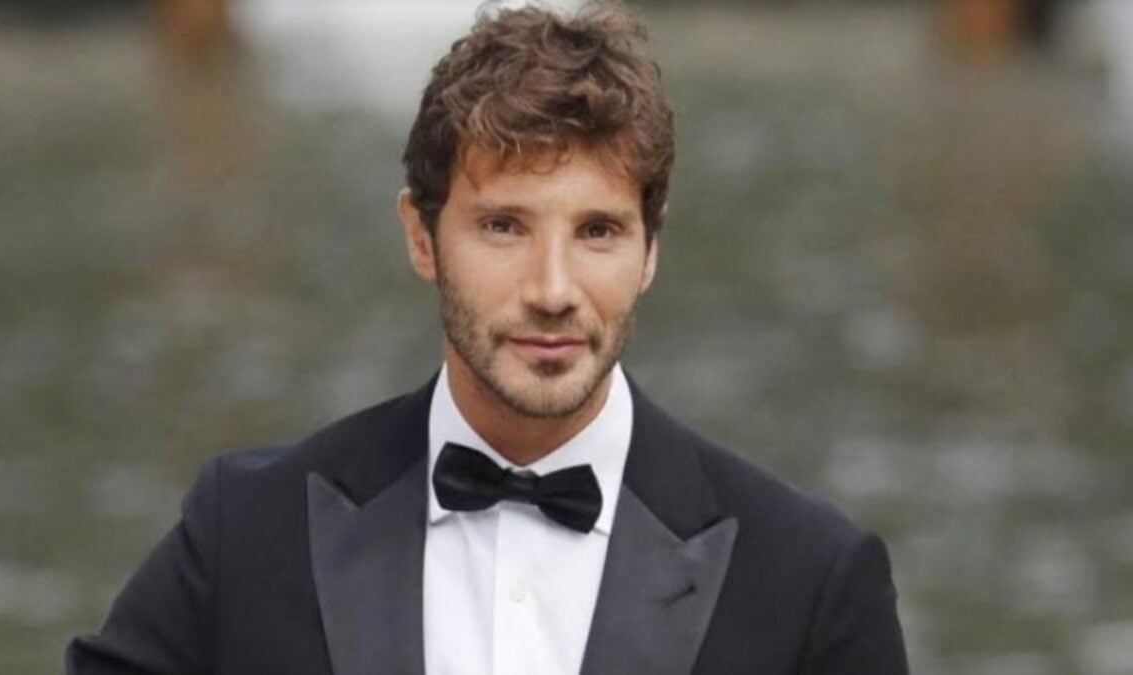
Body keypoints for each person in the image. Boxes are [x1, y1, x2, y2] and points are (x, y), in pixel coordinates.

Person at [67, 2, 908, 673]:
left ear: (651, 250)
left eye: (599, 232)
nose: (553, 290)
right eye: (504, 226)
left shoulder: (809, 580)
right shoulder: (246, 533)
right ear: (421, 235)